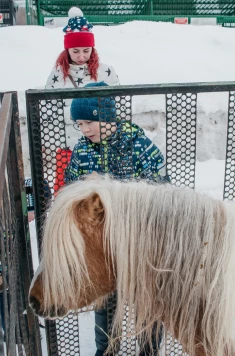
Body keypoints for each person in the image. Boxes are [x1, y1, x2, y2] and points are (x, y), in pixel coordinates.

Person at [64, 82, 165, 356]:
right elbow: (69, 188)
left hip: (139, 236)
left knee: (147, 296)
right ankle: (106, 348)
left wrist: (112, 187)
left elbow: (160, 186)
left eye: (89, 122)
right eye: (79, 124)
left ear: (106, 116)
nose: (84, 130)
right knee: (106, 299)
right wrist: (85, 186)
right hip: (102, 242)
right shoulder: (82, 151)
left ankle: (148, 348)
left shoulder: (138, 144)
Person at [45, 7, 119, 89]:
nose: (81, 56)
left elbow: (118, 98)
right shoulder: (57, 74)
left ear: (92, 49)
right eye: (75, 51)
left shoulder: (106, 72)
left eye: (86, 51)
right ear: (67, 50)